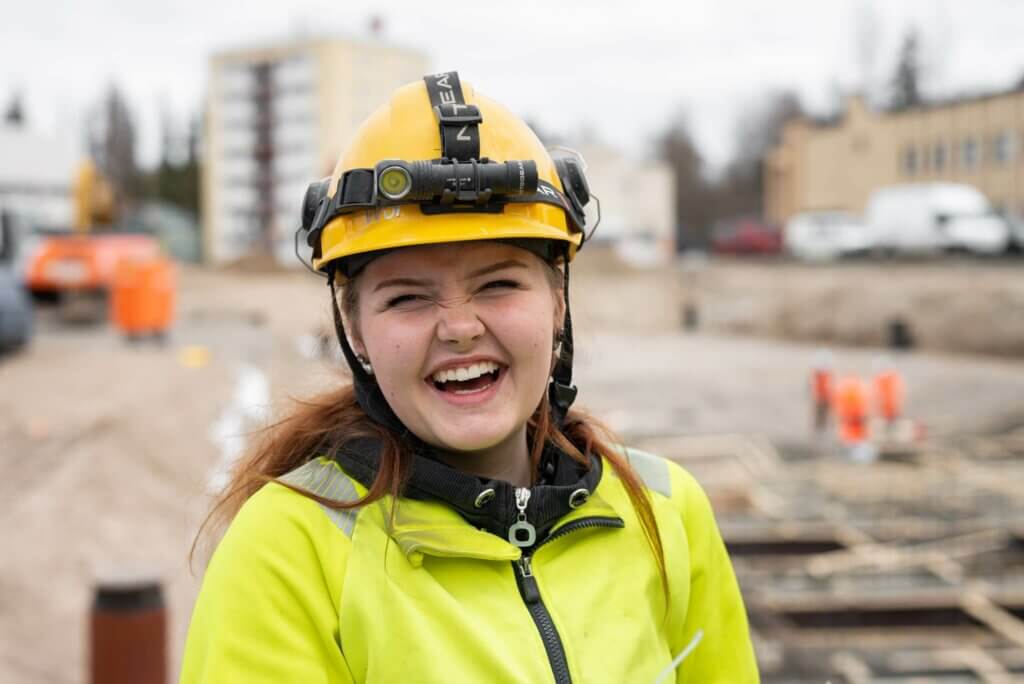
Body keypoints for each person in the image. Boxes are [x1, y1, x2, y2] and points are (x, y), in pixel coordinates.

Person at [181, 71, 758, 683]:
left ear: (558, 301)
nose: (459, 328)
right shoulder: (288, 550)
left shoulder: (665, 513)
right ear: (354, 331)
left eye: (499, 284)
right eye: (407, 298)